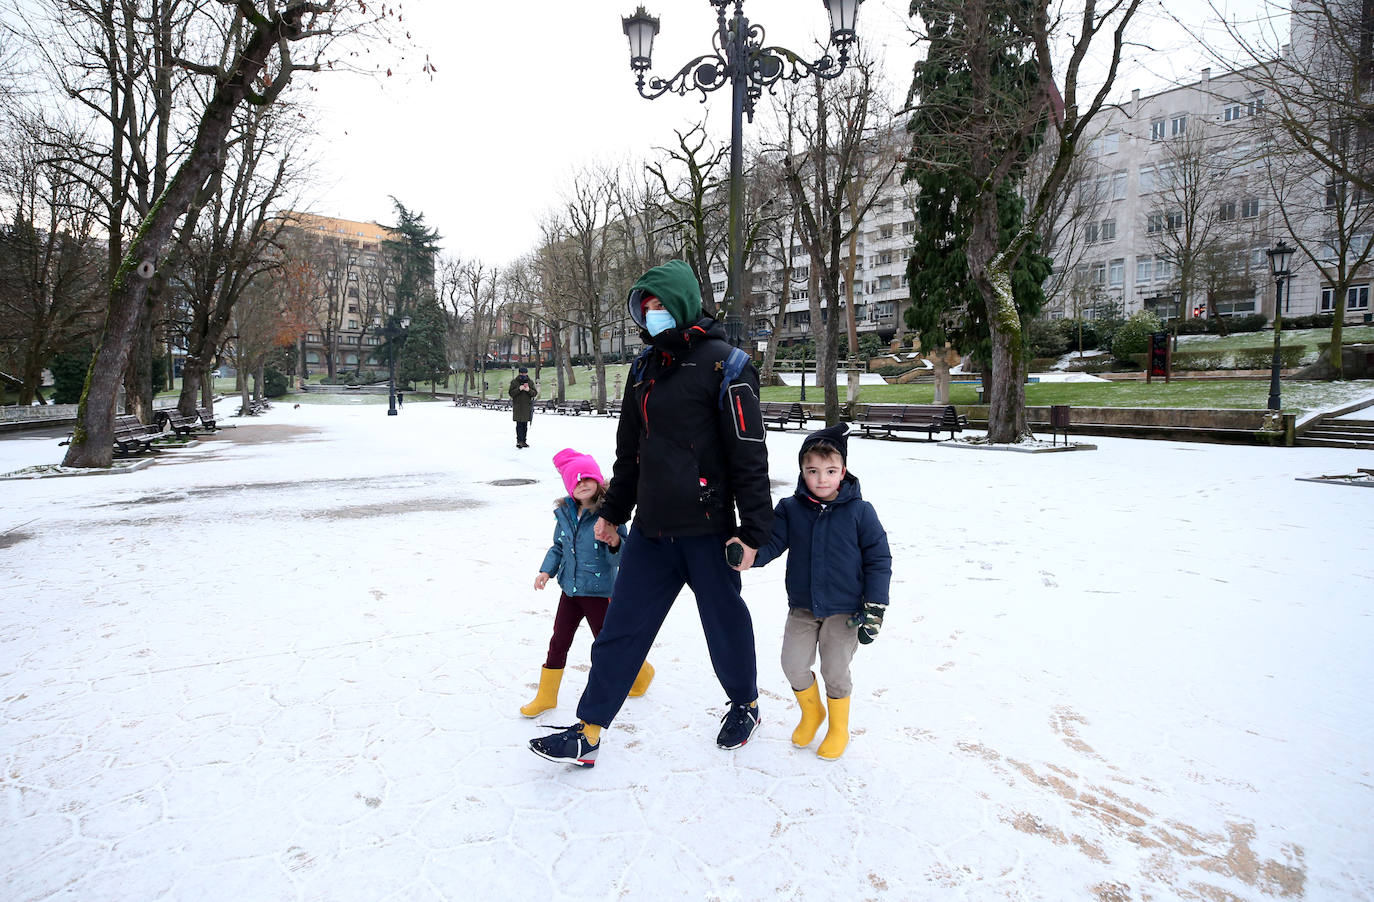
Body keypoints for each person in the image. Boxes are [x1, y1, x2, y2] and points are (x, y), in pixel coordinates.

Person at [529, 259, 772, 768]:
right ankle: (589, 729)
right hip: (652, 534)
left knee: (724, 624)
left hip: (708, 532)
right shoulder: (643, 369)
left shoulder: (727, 365)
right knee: (621, 630)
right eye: (646, 307)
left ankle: (744, 704)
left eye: (661, 305)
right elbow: (629, 454)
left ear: (683, 302)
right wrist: (614, 512)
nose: (653, 314)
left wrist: (754, 533)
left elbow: (749, 455)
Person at [747, 422, 891, 760]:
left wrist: (875, 606)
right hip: (803, 606)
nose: (821, 478)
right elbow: (771, 545)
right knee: (792, 664)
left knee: (835, 671)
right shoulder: (790, 509)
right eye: (812, 471)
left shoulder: (860, 512)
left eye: (830, 470)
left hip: (846, 610)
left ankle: (839, 727)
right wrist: (748, 555)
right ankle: (813, 712)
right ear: (802, 471)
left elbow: (879, 559)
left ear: (843, 472)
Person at [520, 448, 655, 717]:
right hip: (570, 591)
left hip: (600, 593)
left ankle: (640, 673)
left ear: (598, 481)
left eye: (587, 479)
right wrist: (546, 572)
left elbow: (623, 557)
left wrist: (614, 541)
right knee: (558, 641)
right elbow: (558, 548)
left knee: (608, 643)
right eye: (576, 480)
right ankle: (546, 696)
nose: (582, 484)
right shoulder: (565, 515)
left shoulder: (611, 514)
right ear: (570, 486)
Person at [508, 366, 538, 448]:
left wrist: (528, 390)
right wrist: (519, 389)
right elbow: (511, 393)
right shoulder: (514, 382)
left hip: (526, 407)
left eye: (525, 373)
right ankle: (519, 441)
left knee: (525, 425)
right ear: (519, 373)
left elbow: (534, 393)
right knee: (519, 425)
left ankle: (524, 441)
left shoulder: (530, 382)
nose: (523, 375)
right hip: (518, 406)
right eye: (522, 373)